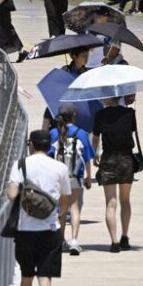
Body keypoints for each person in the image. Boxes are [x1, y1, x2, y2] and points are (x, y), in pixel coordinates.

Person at [7, 129, 72, 286]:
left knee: (27, 276)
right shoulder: (60, 167)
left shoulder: (21, 165)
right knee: (45, 278)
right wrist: (60, 215)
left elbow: (12, 195)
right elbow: (65, 198)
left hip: (25, 230)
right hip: (50, 229)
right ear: (49, 145)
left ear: (31, 145)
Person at [91, 96, 137, 253]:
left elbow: (96, 138)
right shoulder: (129, 113)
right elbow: (131, 132)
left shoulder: (100, 114)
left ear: (110, 98)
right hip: (126, 158)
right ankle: (125, 236)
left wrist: (94, 154)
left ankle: (114, 241)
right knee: (125, 200)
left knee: (111, 203)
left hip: (108, 158)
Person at [50, 104, 96, 257]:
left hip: (58, 177)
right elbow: (87, 158)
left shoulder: (54, 133)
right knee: (75, 208)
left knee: (61, 210)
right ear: (74, 116)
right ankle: (74, 240)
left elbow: (49, 154)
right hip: (75, 176)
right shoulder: (81, 133)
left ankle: (61, 240)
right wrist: (88, 177)